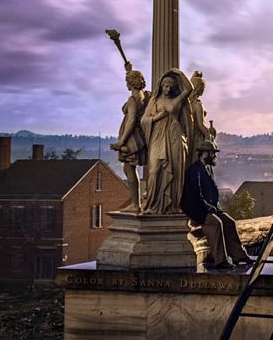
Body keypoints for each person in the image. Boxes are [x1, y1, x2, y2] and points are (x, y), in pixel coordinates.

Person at [181, 142, 257, 270]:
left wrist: (214, 207)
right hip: (196, 210)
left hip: (207, 207)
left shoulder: (206, 168)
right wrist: (208, 207)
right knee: (216, 224)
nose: (214, 156)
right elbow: (195, 194)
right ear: (204, 154)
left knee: (229, 222)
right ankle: (220, 260)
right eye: (212, 153)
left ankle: (239, 256)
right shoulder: (194, 170)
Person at [140, 68, 193, 214]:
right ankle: (152, 204)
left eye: (170, 86)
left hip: (174, 135)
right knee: (154, 170)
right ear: (161, 85)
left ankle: (171, 205)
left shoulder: (176, 100)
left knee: (174, 170)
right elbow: (144, 120)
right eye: (165, 85)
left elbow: (189, 89)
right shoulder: (154, 101)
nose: (167, 89)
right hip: (157, 136)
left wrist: (179, 74)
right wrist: (156, 118)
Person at [110, 66, 150, 210]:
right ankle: (139, 202)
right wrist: (129, 70)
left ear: (130, 83)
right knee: (134, 168)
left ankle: (135, 204)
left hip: (132, 137)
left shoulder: (132, 99)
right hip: (141, 135)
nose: (125, 83)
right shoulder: (145, 95)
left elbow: (131, 119)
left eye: (127, 81)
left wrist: (122, 141)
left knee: (128, 168)